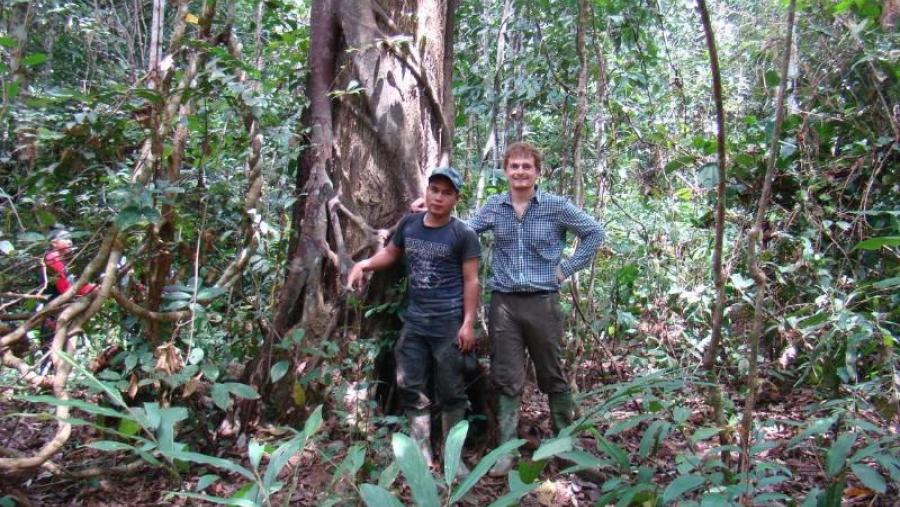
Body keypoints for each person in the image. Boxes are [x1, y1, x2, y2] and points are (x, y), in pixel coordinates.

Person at [415, 142, 605, 476]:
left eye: (526, 167)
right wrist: (431, 211)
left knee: (553, 377)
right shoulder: (495, 206)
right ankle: (505, 453)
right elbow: (465, 228)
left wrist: (566, 269)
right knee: (507, 380)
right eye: (514, 166)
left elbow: (594, 232)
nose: (520, 172)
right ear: (505, 171)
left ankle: (566, 450)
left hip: (543, 303)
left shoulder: (556, 207)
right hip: (504, 305)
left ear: (537, 172)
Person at [348, 167, 480, 478]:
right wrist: (364, 263)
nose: (438, 197)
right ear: (426, 192)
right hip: (416, 322)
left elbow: (472, 281)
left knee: (452, 391)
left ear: (455, 199)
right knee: (412, 387)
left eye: (446, 193)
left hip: (448, 323)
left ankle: (452, 458)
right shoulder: (409, 224)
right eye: (434, 189)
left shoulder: (463, 235)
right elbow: (391, 254)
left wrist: (468, 323)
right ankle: (421, 455)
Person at [44, 230, 96, 298]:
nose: (70, 242)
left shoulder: (62, 260)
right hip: (57, 300)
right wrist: (90, 289)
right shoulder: (52, 258)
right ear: (54, 243)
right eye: (65, 238)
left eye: (70, 239)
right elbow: (64, 289)